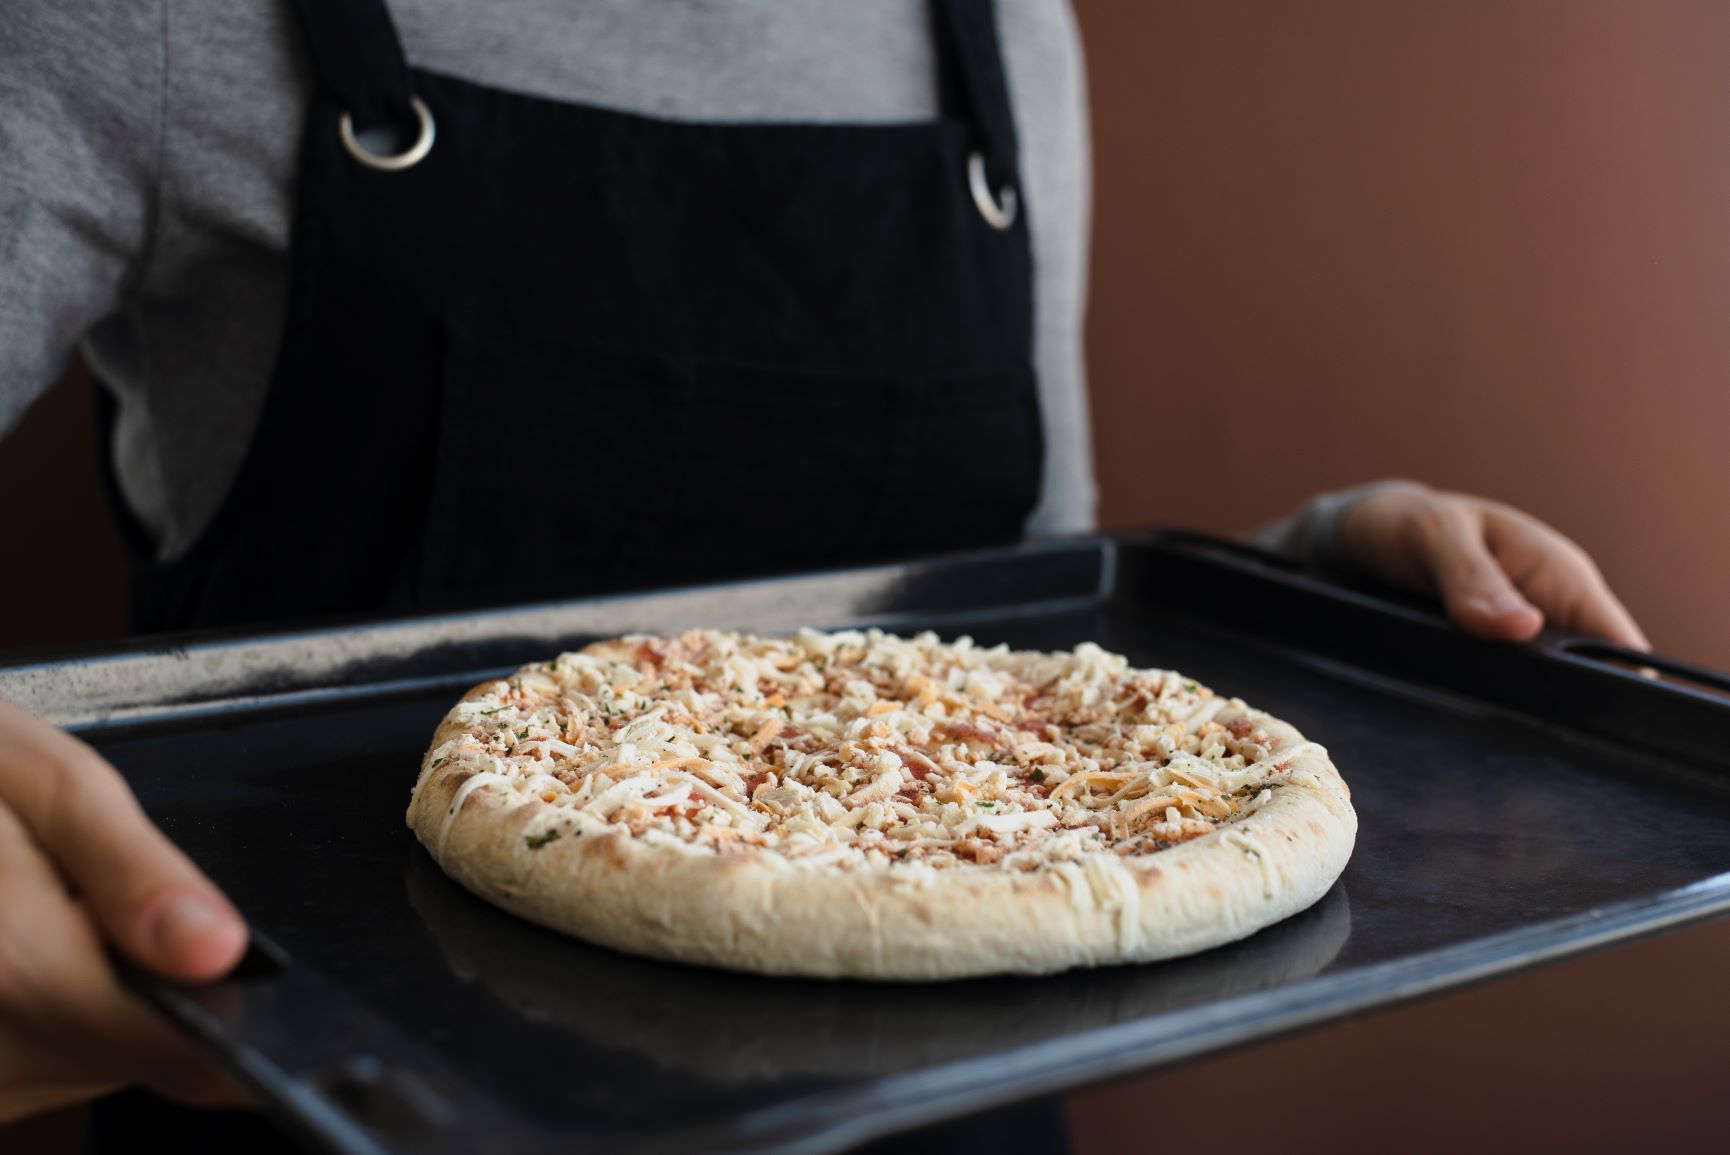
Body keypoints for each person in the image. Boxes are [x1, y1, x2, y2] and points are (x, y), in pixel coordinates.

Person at [0, 0, 1648, 1140]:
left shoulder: (985, 30)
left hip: (949, 1121)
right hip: (352, 1087)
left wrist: (1324, 579)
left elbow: (1018, 619)